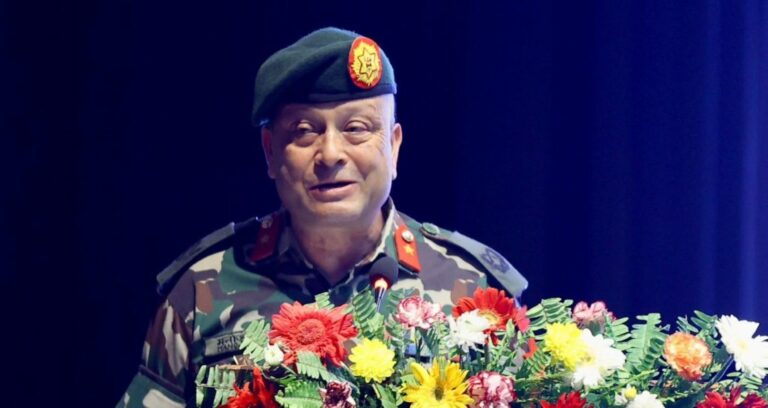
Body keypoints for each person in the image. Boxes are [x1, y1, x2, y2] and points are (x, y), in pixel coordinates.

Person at [118, 27, 527, 407]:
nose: (330, 154)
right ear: (270, 151)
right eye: (304, 131)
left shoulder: (474, 292)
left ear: (394, 147)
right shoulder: (201, 289)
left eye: (356, 128)